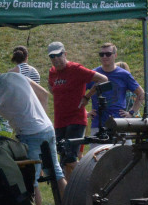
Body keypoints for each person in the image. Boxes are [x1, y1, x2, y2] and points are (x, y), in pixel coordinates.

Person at [0, 59, 60, 205]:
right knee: (56, 174)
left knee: (31, 182)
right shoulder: (17, 77)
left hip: (30, 134)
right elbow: (44, 94)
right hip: (47, 128)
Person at [46, 41, 108, 182]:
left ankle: (96, 180)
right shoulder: (53, 72)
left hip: (76, 119)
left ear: (65, 54)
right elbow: (51, 86)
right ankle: (70, 194)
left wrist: (87, 96)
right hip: (60, 120)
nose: (56, 59)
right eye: (52, 57)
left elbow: (103, 79)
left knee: (70, 157)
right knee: (65, 159)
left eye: (58, 55)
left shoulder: (76, 69)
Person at [87, 43, 144, 133]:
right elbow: (76, 93)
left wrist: (131, 113)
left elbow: (141, 93)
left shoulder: (124, 74)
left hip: (120, 123)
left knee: (124, 147)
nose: (104, 57)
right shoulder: (93, 74)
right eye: (101, 54)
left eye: (108, 54)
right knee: (98, 148)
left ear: (115, 55)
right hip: (98, 124)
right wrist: (85, 113)